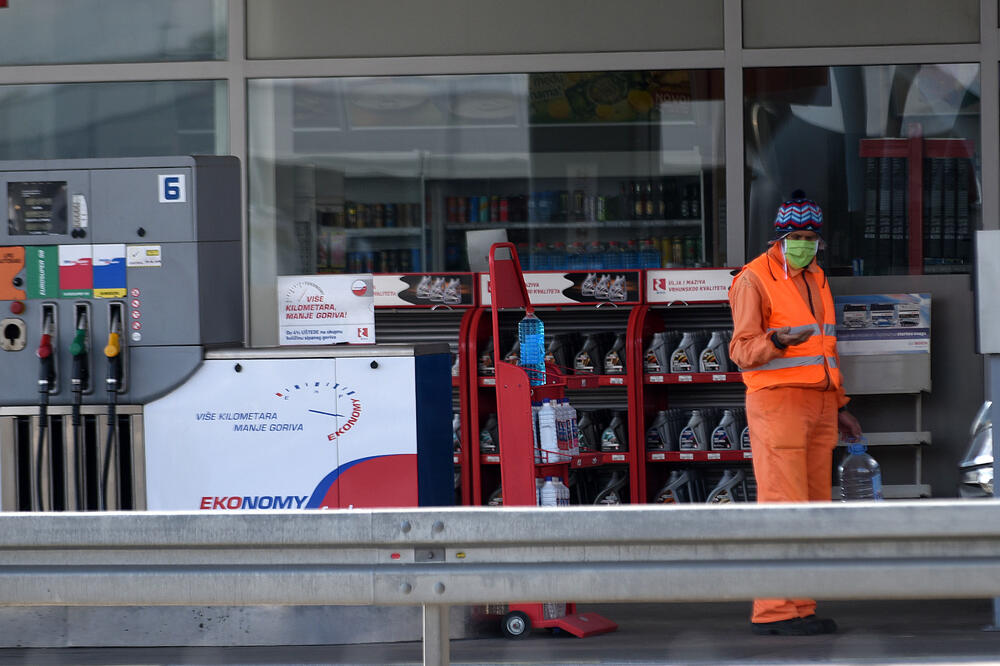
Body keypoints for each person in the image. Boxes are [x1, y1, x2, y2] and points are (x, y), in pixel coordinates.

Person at [728, 190, 863, 636]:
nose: (804, 243)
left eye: (811, 236)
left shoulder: (816, 277)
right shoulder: (753, 279)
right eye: (797, 236)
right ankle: (775, 611)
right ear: (780, 237)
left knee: (812, 510)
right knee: (782, 508)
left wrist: (839, 405)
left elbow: (826, 350)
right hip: (778, 402)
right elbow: (741, 350)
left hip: (818, 404)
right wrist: (778, 341)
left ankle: (801, 606)